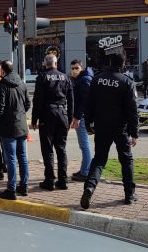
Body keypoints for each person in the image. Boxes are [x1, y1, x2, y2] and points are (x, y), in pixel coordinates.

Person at [81, 53, 139, 209]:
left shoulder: (97, 79)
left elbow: (89, 104)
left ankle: (90, 187)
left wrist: (88, 124)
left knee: (99, 159)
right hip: (121, 128)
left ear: (109, 63)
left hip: (101, 126)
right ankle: (129, 195)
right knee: (126, 160)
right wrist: (134, 132)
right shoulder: (127, 82)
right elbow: (132, 110)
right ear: (123, 64)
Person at [31, 54, 74, 191]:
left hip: (47, 114)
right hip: (62, 114)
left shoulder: (42, 77)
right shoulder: (65, 77)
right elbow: (71, 100)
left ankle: (49, 180)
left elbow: (37, 100)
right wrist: (70, 118)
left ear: (45, 64)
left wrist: (34, 119)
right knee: (61, 148)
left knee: (48, 149)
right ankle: (62, 180)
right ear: (56, 63)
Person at [0, 61, 31, 200]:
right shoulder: (21, 83)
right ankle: (24, 185)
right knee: (22, 157)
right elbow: (28, 103)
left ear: (3, 71)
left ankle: (11, 189)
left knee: (10, 158)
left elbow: (0, 108)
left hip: (8, 126)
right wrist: (20, 114)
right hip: (21, 125)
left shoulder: (2, 85)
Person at [69, 60, 94, 182]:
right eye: (72, 68)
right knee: (83, 145)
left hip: (82, 117)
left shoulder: (84, 80)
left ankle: (86, 172)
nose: (74, 70)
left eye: (76, 68)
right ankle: (85, 169)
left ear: (81, 67)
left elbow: (84, 101)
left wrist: (77, 117)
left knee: (84, 146)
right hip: (82, 116)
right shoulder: (82, 79)